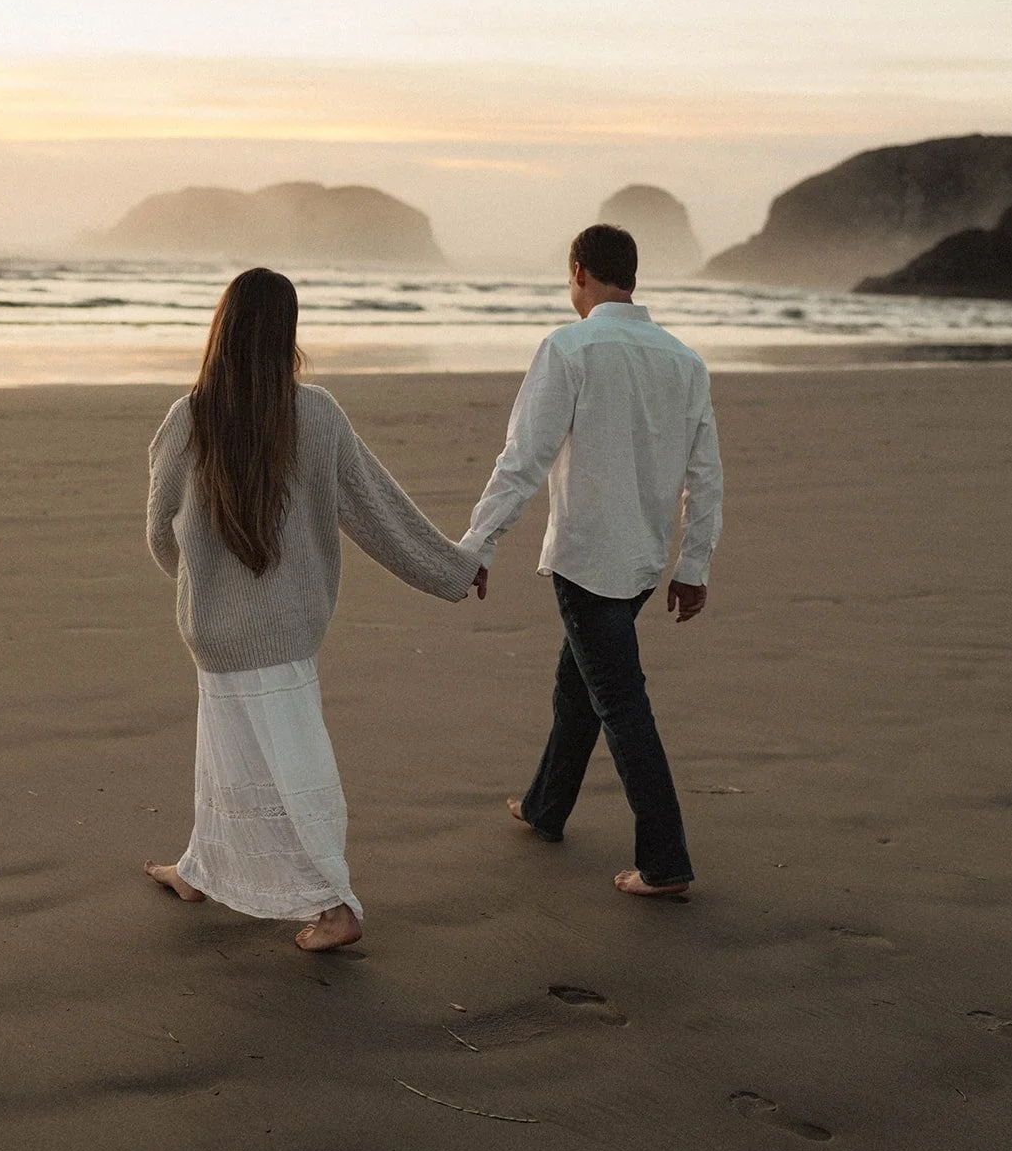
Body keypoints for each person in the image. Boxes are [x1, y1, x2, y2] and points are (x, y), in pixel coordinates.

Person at [144, 267, 480, 951]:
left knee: (246, 754)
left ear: (223, 329)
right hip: (288, 623)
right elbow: (376, 512)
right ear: (287, 334)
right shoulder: (317, 413)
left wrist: (202, 584)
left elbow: (158, 531)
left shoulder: (189, 417)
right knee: (256, 759)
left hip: (213, 629)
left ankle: (333, 901)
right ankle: (205, 870)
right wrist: (451, 568)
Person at [459, 224, 722, 897]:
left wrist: (476, 544)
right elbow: (705, 475)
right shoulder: (684, 361)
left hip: (586, 562)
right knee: (578, 684)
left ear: (578, 271)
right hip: (640, 560)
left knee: (619, 703)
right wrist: (690, 563)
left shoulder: (568, 347)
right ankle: (546, 806)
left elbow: (522, 460)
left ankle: (664, 863)